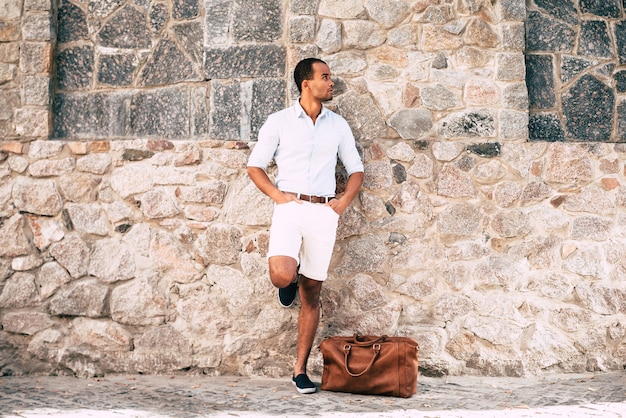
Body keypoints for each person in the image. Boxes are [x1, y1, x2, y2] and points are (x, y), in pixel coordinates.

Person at [247, 58, 364, 394]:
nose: (331, 83)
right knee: (281, 275)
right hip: (290, 206)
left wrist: (341, 204)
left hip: (323, 212)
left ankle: (299, 370)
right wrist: (278, 197)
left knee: (312, 294)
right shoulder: (279, 122)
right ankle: (290, 278)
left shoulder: (337, 125)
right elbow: (255, 166)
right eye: (325, 77)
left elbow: (355, 169)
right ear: (306, 83)